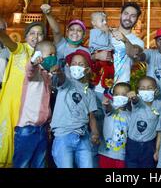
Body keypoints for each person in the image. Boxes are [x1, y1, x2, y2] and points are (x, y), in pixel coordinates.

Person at [0, 18, 45, 168]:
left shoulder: (46, 55)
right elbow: (8, 42)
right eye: (32, 33)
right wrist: (1, 32)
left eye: (39, 34)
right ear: (25, 36)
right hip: (13, 103)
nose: (35, 37)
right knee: (7, 139)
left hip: (30, 111)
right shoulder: (21, 49)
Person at [50, 49, 99, 168]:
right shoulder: (68, 82)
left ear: (87, 69)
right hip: (63, 136)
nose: (76, 66)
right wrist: (59, 72)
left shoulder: (90, 93)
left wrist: (95, 133)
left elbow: (91, 115)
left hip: (83, 136)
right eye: (73, 64)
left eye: (81, 64)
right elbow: (61, 79)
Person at [13, 40, 58, 168]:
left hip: (42, 130)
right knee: (22, 164)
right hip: (27, 130)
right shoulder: (34, 73)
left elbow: (46, 103)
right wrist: (33, 62)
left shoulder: (48, 76)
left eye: (55, 54)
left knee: (39, 164)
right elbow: (29, 70)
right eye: (50, 54)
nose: (53, 57)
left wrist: (48, 122)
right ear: (39, 55)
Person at [100, 2, 144, 88]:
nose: (128, 18)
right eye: (126, 14)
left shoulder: (138, 42)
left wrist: (125, 40)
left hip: (121, 89)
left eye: (133, 16)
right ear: (120, 15)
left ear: (136, 19)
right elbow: (89, 56)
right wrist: (97, 56)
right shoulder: (105, 34)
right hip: (99, 87)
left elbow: (134, 54)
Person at [125, 76, 161, 168]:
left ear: (156, 90)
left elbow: (160, 130)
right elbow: (135, 101)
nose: (146, 91)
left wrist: (157, 150)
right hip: (132, 144)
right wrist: (133, 97)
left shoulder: (160, 105)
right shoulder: (138, 102)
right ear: (138, 91)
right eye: (142, 88)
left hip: (149, 145)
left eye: (150, 88)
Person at [98, 82, 132, 168]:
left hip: (121, 155)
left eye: (123, 94)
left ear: (129, 98)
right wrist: (107, 104)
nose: (119, 96)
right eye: (116, 94)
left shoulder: (130, 115)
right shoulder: (111, 109)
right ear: (113, 96)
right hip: (105, 153)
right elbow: (108, 109)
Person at [89, 11, 114, 91]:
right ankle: (93, 82)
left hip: (107, 53)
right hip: (99, 52)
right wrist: (107, 32)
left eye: (106, 20)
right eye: (102, 20)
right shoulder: (95, 32)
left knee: (109, 70)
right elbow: (104, 42)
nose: (105, 22)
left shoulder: (104, 31)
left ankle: (107, 84)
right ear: (94, 23)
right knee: (96, 69)